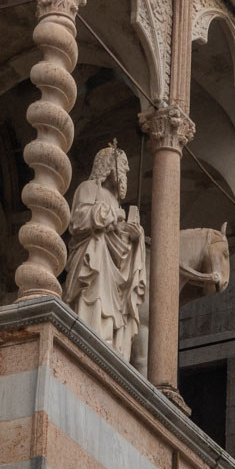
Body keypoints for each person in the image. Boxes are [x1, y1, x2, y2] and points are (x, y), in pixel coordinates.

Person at [63, 143, 147, 360]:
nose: (127, 172)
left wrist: (134, 238)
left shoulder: (114, 199)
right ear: (110, 166)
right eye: (124, 166)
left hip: (114, 270)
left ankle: (107, 349)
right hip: (94, 259)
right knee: (93, 302)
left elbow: (121, 244)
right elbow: (78, 220)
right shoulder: (89, 188)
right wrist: (111, 215)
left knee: (110, 316)